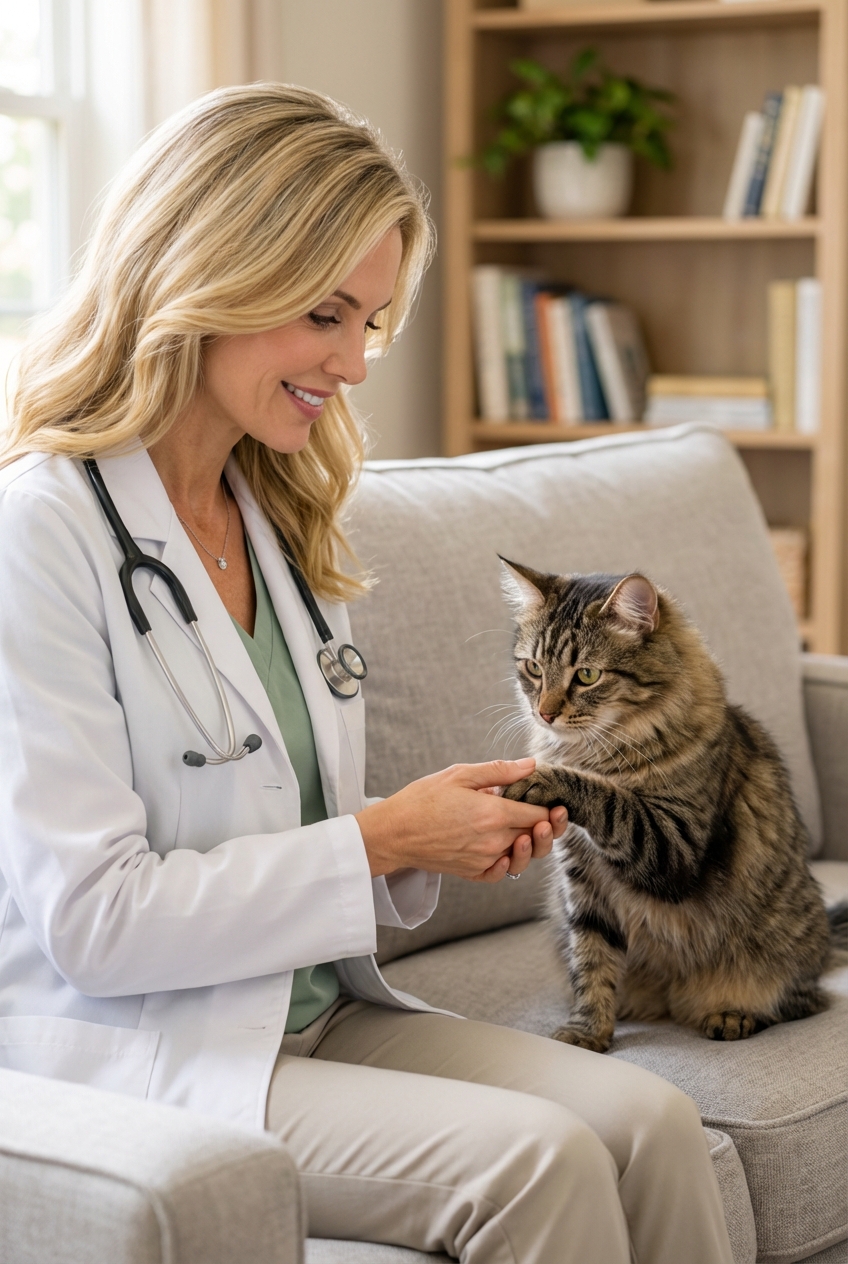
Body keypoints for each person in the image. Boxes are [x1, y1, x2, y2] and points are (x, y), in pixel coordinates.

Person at [0, 85, 735, 1264]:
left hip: (311, 1005)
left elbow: (274, 813)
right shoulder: (42, 531)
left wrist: (427, 838)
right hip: (142, 1045)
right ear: (209, 273)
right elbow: (95, 923)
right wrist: (384, 839)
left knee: (652, 1122)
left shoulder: (275, 513)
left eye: (370, 322)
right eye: (323, 315)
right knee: (539, 1164)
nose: (351, 363)